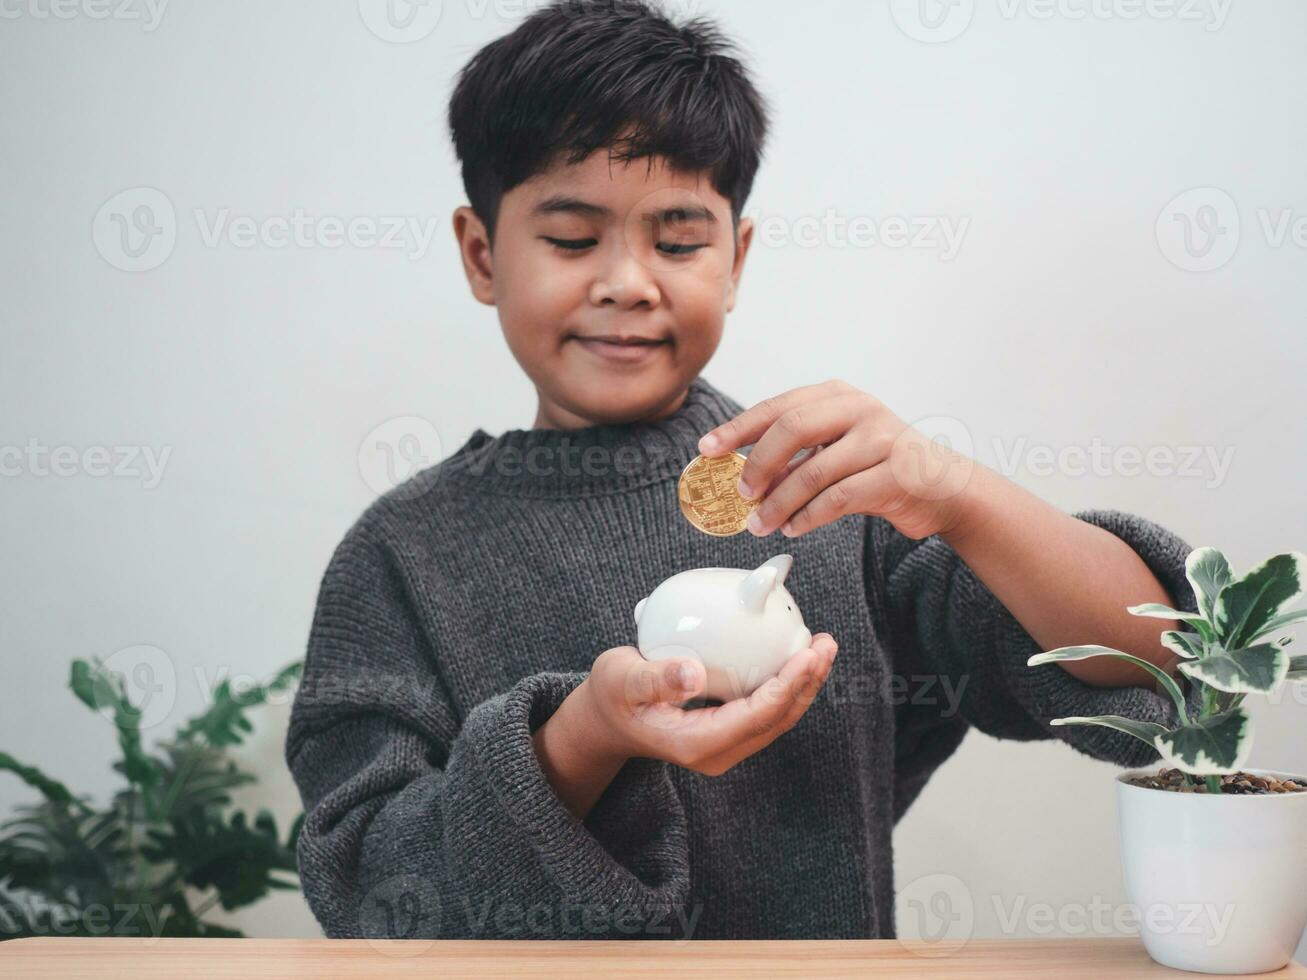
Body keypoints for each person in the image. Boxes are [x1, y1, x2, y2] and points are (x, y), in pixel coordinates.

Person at [286, 0, 1196, 941]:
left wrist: (959, 497)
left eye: (678, 242)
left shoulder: (833, 494)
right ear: (482, 253)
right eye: (570, 238)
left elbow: (1163, 665)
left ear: (734, 259)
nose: (629, 281)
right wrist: (586, 735)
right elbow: (369, 887)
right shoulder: (403, 556)